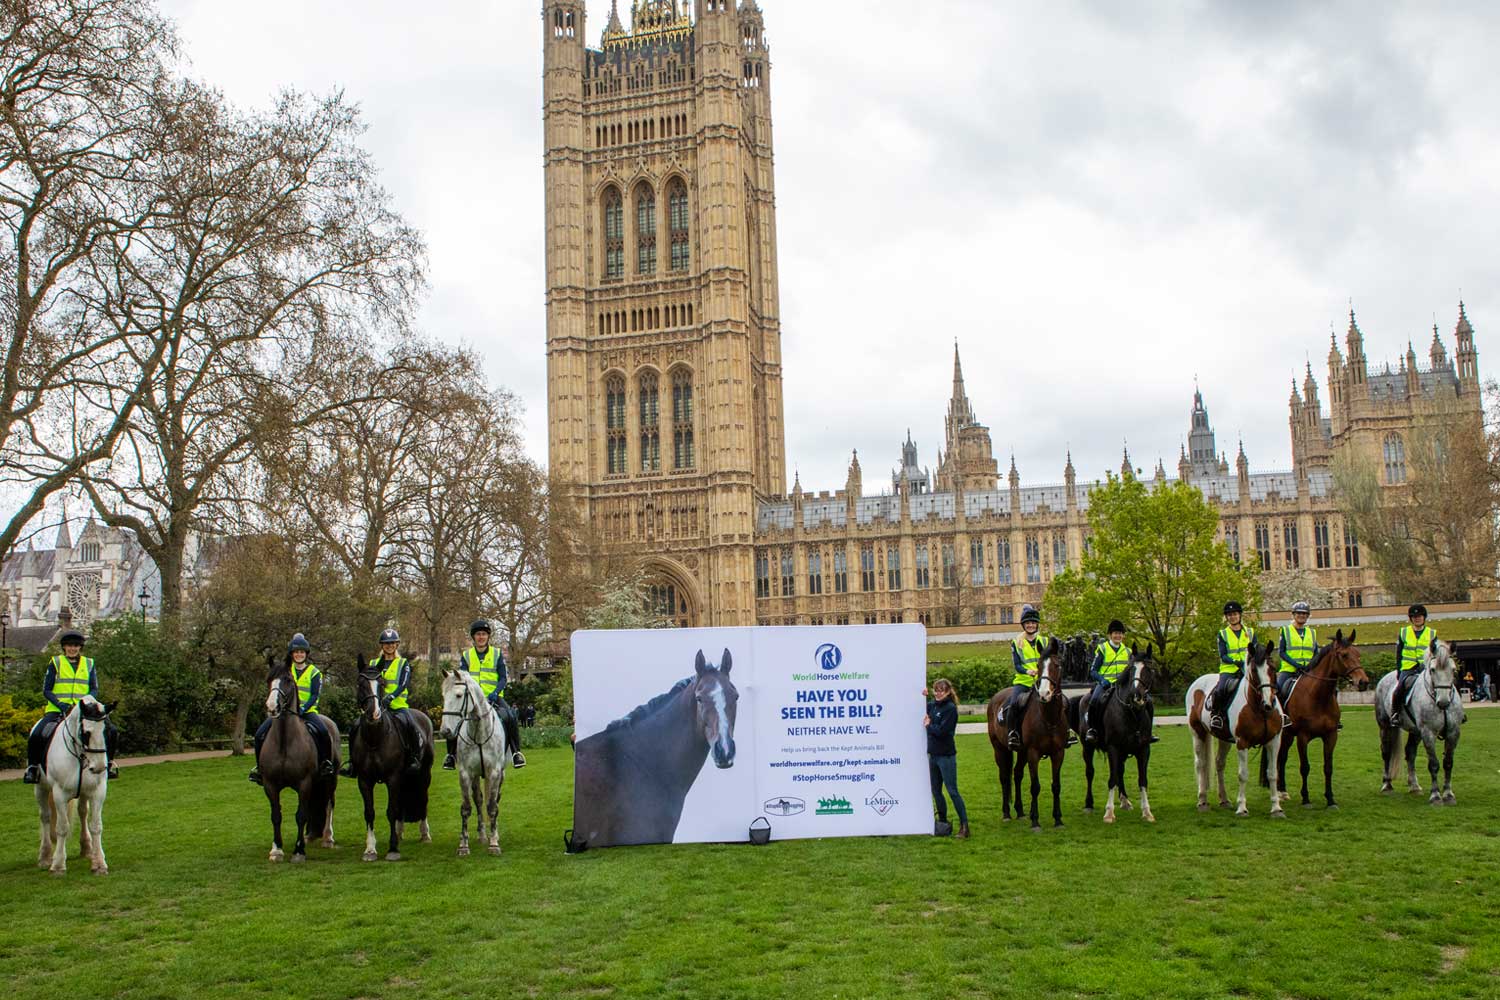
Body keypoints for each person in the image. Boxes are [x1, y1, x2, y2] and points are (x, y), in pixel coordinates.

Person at [23, 629, 119, 784]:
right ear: (64, 647)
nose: (73, 648)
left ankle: (109, 764)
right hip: (57, 709)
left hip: (84, 711)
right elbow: (46, 690)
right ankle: (32, 768)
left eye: (76, 646)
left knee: (112, 730)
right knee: (37, 734)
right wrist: (61, 705)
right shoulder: (56, 662)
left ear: (80, 647)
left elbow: (93, 689)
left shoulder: (89, 663)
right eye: (69, 646)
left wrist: (86, 702)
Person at [249, 634, 335, 785]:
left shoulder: (314, 672)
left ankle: (325, 764)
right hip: (283, 711)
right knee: (259, 734)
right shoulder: (286, 671)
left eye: (302, 652)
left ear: (306, 654)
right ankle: (260, 769)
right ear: (291, 654)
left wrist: (303, 708)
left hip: (307, 712)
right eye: (296, 652)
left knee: (323, 732)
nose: (299, 654)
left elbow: (315, 695)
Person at [339, 628, 424, 776]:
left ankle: (414, 758)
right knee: (355, 726)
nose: (389, 646)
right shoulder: (373, 663)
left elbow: (404, 683)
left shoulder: (403, 663)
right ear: (382, 645)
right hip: (375, 706)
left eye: (392, 643)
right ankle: (353, 763)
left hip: (397, 705)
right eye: (386, 643)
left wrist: (390, 697)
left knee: (410, 724)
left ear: (396, 645)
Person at [444, 619, 525, 770]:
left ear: (488, 636)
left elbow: (503, 678)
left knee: (511, 715)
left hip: (493, 697)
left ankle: (516, 753)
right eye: (478, 634)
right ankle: (450, 755)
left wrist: (495, 692)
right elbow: (462, 677)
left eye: (483, 634)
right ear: (473, 637)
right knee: (456, 718)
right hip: (472, 699)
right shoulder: (467, 656)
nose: (481, 637)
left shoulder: (497, 654)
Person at [924, 679, 968, 838]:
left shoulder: (950, 709)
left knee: (952, 790)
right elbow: (921, 706)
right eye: (936, 690)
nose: (938, 693)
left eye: (941, 690)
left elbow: (943, 732)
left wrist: (929, 726)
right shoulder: (933, 705)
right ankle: (942, 822)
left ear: (949, 691)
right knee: (936, 790)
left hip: (946, 756)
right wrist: (923, 696)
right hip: (933, 755)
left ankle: (964, 825)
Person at [1004, 605, 1048, 751]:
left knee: (1061, 701)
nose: (1030, 625)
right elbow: (1017, 665)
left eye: (1033, 623)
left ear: (1037, 625)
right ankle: (1013, 733)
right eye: (1028, 623)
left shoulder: (1045, 641)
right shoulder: (1017, 642)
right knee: (1013, 704)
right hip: (1023, 681)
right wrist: (1027, 671)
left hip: (1043, 682)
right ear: (1023, 625)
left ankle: (1067, 731)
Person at [1207, 601, 1254, 734]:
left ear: (1239, 615)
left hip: (1247, 669)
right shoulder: (1223, 634)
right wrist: (1236, 661)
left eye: (1235, 614)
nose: (1232, 617)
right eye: (1229, 615)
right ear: (1227, 617)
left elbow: (1255, 651)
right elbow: (1223, 655)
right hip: (1229, 669)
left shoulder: (1250, 632)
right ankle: (1217, 715)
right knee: (1221, 689)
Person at [1084, 620, 1131, 744]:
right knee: (1094, 700)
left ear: (1123, 635)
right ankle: (1092, 729)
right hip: (1106, 684)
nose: (1118, 636)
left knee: (1145, 699)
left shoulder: (1128, 651)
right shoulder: (1102, 648)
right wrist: (1102, 680)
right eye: (1115, 633)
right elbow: (1093, 670)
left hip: (1122, 685)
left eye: (1120, 633)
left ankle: (1145, 731)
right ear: (1110, 635)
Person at [1390, 605, 1436, 724]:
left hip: (1426, 667)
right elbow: (1399, 652)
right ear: (1411, 619)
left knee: (1444, 684)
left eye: (1419, 616)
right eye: (1414, 617)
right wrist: (1399, 670)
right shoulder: (1403, 632)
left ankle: (1457, 712)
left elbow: (1436, 653)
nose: (1417, 619)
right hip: (1408, 667)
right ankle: (1395, 713)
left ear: (1424, 617)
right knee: (1399, 689)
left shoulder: (1432, 633)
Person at [1277, 601, 1319, 705]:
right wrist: (1296, 665)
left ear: (1308, 616)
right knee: (1278, 690)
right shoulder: (1285, 630)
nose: (1301, 616)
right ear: (1293, 615)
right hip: (1289, 670)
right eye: (1299, 613)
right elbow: (1281, 653)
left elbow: (1316, 654)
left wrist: (1310, 666)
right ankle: (1280, 716)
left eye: (1304, 614)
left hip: (1308, 671)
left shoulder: (1312, 632)